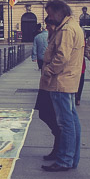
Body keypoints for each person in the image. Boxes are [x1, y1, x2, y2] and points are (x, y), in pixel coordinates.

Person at [38, 0, 84, 172]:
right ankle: (72, 158)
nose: (49, 17)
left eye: (50, 14)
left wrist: (48, 71)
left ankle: (65, 159)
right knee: (72, 121)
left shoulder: (66, 29)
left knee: (65, 123)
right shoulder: (73, 26)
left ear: (58, 12)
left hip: (60, 82)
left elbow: (61, 57)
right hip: (68, 81)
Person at [35, 18, 59, 159]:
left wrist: (48, 71)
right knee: (43, 113)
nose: (46, 27)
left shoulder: (62, 34)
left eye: (49, 25)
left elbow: (62, 57)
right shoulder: (51, 36)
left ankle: (59, 145)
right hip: (47, 82)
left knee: (51, 115)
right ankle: (58, 143)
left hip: (53, 82)